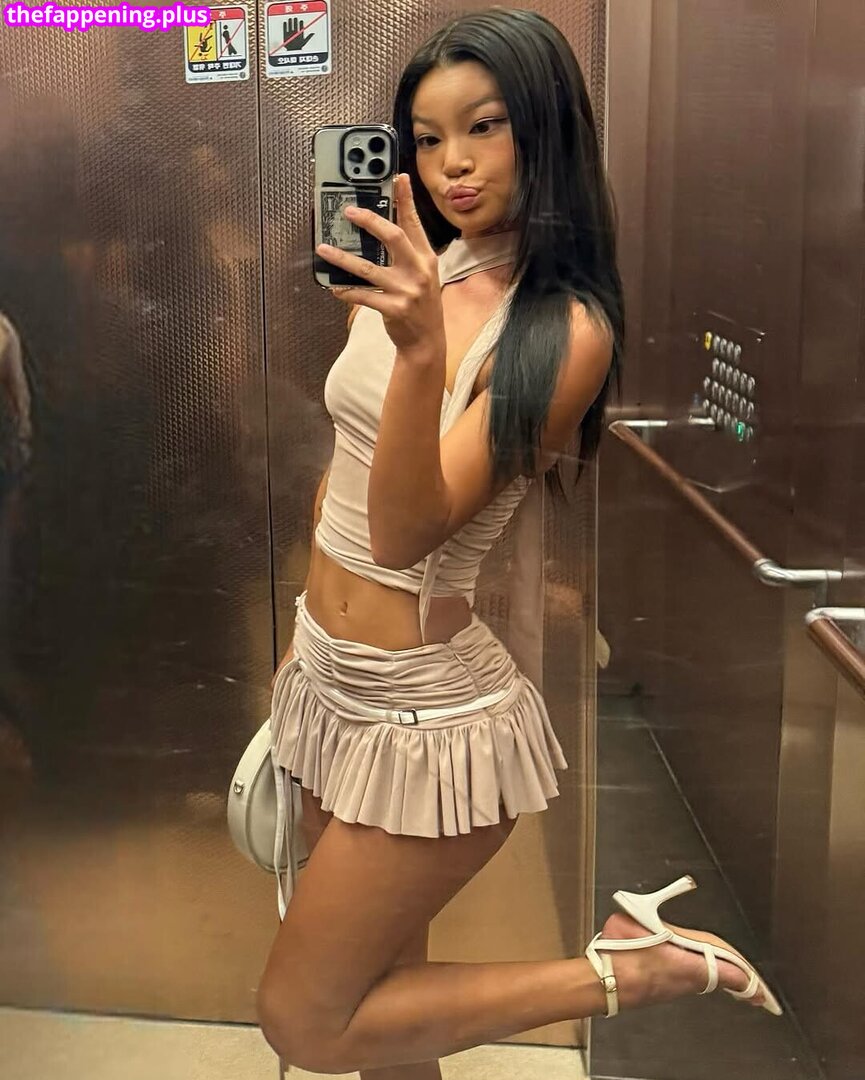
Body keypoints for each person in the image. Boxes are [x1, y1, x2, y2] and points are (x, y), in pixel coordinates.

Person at [258, 8, 782, 1076]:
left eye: (484, 127)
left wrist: (419, 352)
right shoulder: (427, 271)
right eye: (426, 137)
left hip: (423, 715)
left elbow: (406, 532)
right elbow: (347, 468)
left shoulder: (560, 329)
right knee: (386, 1009)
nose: (451, 163)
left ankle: (639, 966)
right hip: (327, 677)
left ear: (544, 129)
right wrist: (307, 625)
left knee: (306, 1022)